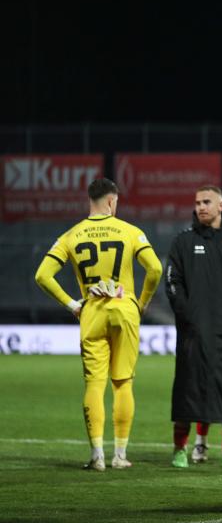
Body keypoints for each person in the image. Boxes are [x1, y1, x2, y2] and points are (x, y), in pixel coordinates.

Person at [35, 177, 162, 471]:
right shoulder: (130, 231)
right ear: (112, 201)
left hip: (91, 311)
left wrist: (72, 305)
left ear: (89, 201)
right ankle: (119, 455)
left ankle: (97, 456)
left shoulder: (72, 235)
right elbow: (154, 268)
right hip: (124, 309)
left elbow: (42, 275)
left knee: (94, 384)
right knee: (123, 383)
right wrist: (140, 302)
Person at [165, 187, 222, 470]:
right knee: (188, 388)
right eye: (197, 203)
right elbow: (173, 283)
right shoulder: (183, 242)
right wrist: (188, 314)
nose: (200, 207)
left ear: (221, 206)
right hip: (194, 332)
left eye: (206, 202)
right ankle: (180, 448)